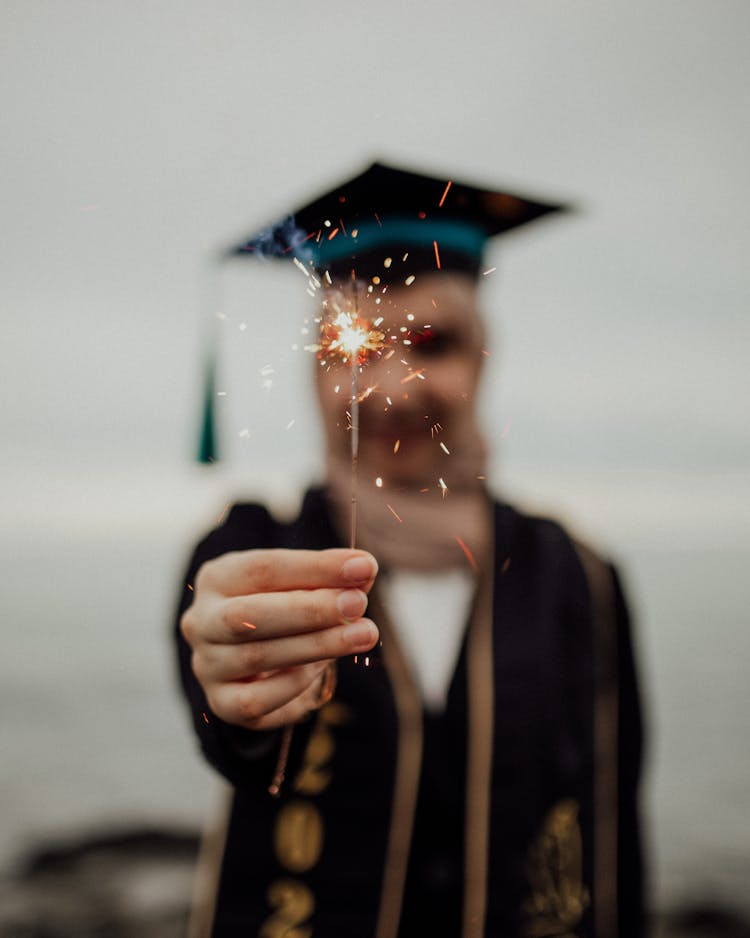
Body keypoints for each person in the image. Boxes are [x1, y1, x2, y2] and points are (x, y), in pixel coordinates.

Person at [175, 162, 647, 937]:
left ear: (484, 356)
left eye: (433, 342)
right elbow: (215, 687)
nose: (391, 386)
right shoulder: (250, 550)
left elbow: (616, 823)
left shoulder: (581, 577)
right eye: (350, 349)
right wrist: (233, 691)